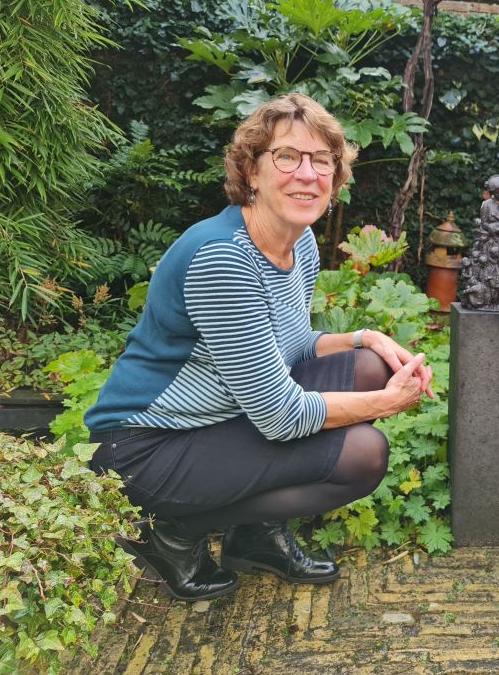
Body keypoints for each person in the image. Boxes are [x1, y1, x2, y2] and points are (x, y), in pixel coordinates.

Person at [86, 93, 434, 601]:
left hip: (216, 421)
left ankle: (254, 534)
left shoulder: (299, 242)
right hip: (143, 449)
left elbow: (290, 346)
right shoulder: (223, 258)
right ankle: (171, 533)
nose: (307, 174)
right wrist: (388, 404)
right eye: (287, 157)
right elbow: (279, 415)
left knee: (367, 366)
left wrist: (368, 338)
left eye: (322, 161)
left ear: (336, 178)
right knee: (363, 453)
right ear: (252, 171)